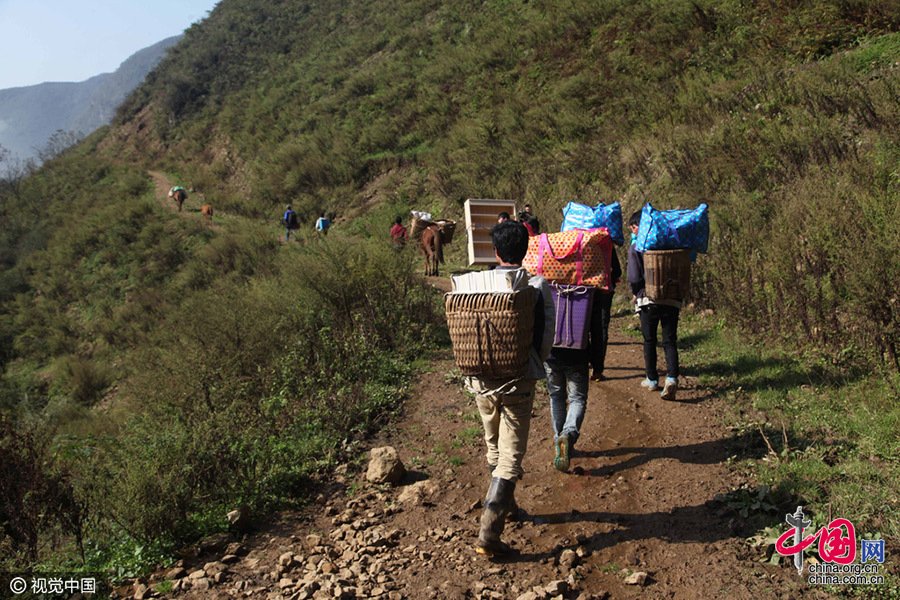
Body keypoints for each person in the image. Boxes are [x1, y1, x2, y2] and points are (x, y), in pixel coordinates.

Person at [465, 221, 554, 557]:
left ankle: (508, 506)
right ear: (526, 250)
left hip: (481, 378)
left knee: (493, 442)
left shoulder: (476, 283)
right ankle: (489, 532)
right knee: (511, 454)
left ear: (495, 251)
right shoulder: (536, 284)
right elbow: (546, 335)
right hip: (519, 379)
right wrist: (534, 363)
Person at [627, 210, 680, 401]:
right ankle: (672, 378)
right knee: (669, 340)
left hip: (648, 300)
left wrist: (636, 292)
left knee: (649, 339)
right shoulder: (670, 242)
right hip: (672, 298)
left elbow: (634, 277)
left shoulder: (637, 246)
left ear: (637, 227)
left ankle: (652, 379)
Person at [544, 343, 589, 472]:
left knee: (556, 397)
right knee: (577, 399)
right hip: (578, 356)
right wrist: (598, 365)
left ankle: (560, 438)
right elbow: (598, 334)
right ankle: (568, 434)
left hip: (551, 355)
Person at [589, 248, 622, 381]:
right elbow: (617, 271)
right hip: (604, 292)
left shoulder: (578, 243)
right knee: (601, 328)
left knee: (582, 326)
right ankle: (597, 369)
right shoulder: (606, 244)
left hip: (582, 292)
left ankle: (581, 364)